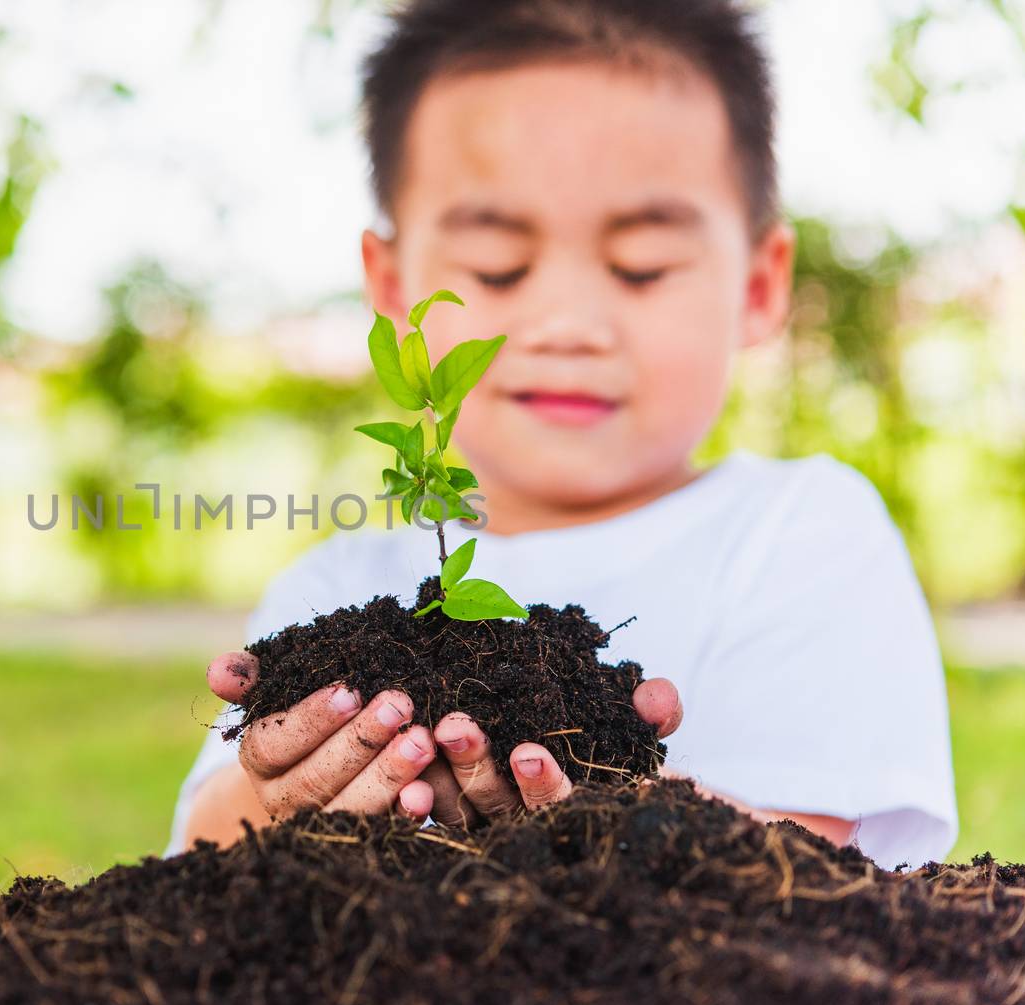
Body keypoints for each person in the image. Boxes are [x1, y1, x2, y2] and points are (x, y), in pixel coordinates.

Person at [167, 0, 956, 870]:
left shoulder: (802, 535)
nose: (568, 324)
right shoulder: (333, 589)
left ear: (759, 288)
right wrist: (277, 796)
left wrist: (605, 805)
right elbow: (194, 859)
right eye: (500, 267)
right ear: (392, 289)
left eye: (641, 266)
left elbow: (813, 873)